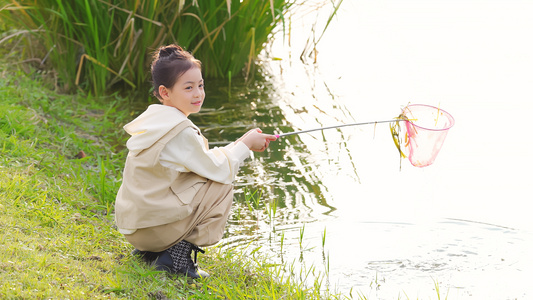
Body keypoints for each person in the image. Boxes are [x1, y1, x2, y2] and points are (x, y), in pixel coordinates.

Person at [115, 44, 277, 278]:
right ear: (165, 92)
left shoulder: (155, 119)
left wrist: (243, 141)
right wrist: (246, 145)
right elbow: (219, 170)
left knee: (204, 175)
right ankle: (176, 259)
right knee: (221, 185)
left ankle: (150, 254)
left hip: (135, 229)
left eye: (200, 85)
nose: (198, 93)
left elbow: (205, 161)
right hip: (152, 231)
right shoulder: (181, 131)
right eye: (188, 87)